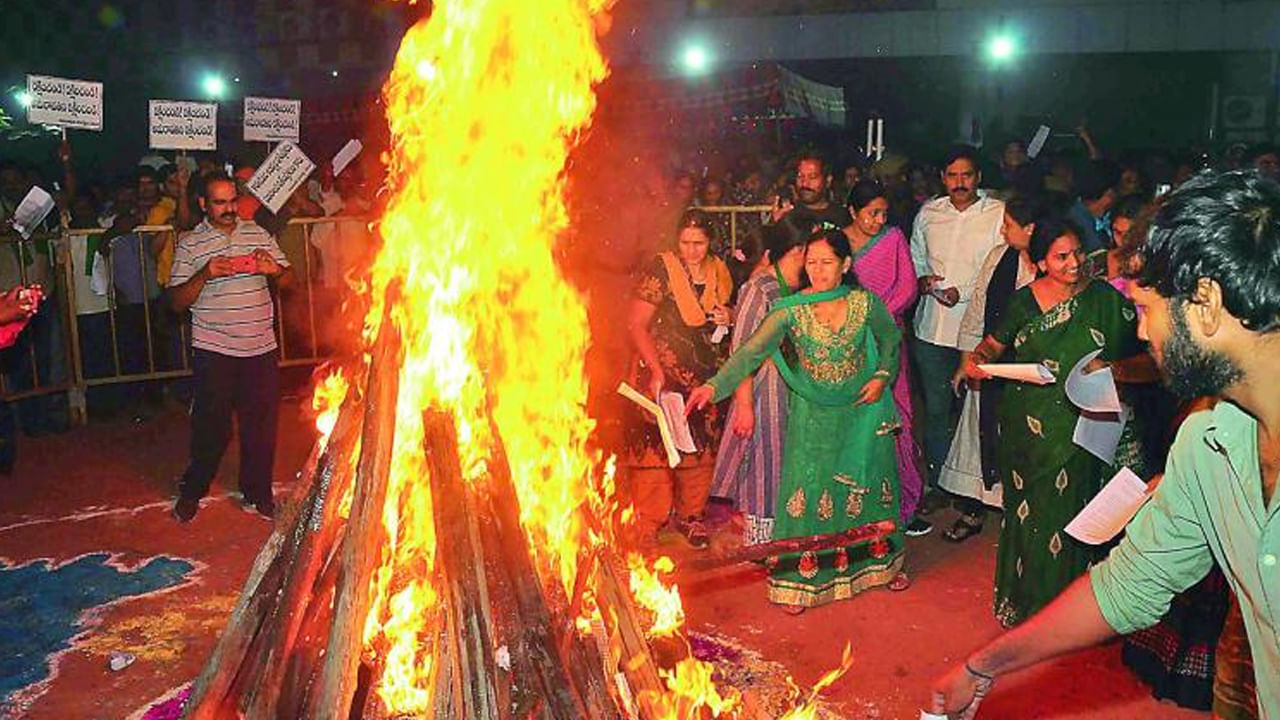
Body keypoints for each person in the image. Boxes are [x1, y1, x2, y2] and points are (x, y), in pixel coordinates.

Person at [931, 169, 1280, 720]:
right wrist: (984, 666)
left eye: (1146, 310)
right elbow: (1127, 585)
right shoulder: (1206, 441)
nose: (1141, 333)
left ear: (1207, 303)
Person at [688, 229, 908, 613]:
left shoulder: (866, 303)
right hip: (813, 415)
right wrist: (713, 386)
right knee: (809, 494)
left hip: (862, 411)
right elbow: (750, 352)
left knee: (869, 489)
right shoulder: (790, 310)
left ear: (846, 265)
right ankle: (801, 583)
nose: (817, 271)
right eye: (811, 263)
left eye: (826, 262)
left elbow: (890, 341)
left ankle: (878, 567)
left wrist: (881, 377)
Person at [960, 216, 1150, 627]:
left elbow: (1153, 363)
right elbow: (991, 347)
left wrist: (1115, 369)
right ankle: (1029, 607)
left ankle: (1075, 616)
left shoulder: (1106, 301)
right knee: (1030, 514)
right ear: (1040, 263)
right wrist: (977, 364)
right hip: (1026, 429)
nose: (1075, 263)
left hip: (1086, 430)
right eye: (1061, 257)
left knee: (1076, 516)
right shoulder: (1024, 303)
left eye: (1078, 252)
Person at [168, 173, 293, 522]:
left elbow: (290, 279)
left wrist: (275, 271)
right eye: (220, 202)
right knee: (212, 427)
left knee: (261, 426)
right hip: (215, 348)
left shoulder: (257, 233)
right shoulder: (190, 244)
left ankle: (258, 493)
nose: (228, 209)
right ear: (203, 204)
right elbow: (176, 302)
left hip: (261, 347)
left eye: (232, 201)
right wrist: (205, 274)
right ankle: (193, 488)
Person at [625, 209, 732, 550]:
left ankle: (691, 517)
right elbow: (636, 324)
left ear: (710, 242)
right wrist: (655, 370)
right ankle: (649, 522)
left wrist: (727, 316)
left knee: (699, 449)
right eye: (685, 243)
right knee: (657, 452)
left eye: (699, 243)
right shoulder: (663, 269)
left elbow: (733, 314)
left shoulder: (720, 271)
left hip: (704, 377)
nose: (691, 250)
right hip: (662, 375)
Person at [909, 145, 1005, 519]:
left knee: (976, 411)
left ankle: (977, 488)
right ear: (942, 179)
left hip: (977, 329)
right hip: (932, 327)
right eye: (952, 176)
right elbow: (917, 256)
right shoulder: (929, 213)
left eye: (966, 175)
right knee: (936, 410)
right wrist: (924, 279)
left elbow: (999, 269)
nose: (959, 183)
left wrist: (962, 293)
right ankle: (938, 482)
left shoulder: (996, 214)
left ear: (978, 177)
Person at [938, 193, 1043, 527]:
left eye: (1008, 225)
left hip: (1031, 375)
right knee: (979, 435)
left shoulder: (1047, 270)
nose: (1002, 232)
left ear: (1030, 229)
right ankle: (975, 509)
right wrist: (966, 361)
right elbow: (977, 310)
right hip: (990, 363)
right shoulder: (999, 257)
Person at [711, 215, 808, 546]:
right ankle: (761, 546)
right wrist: (744, 407)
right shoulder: (758, 288)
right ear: (796, 250)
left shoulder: (793, 288)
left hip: (788, 394)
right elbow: (741, 353)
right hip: (762, 395)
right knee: (764, 471)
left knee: (781, 468)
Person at [843, 179, 927, 535]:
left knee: (895, 415)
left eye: (883, 213)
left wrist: (874, 320)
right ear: (852, 211)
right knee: (852, 417)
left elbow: (908, 289)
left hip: (886, 339)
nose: (878, 220)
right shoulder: (836, 243)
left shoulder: (893, 239)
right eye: (871, 213)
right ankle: (850, 506)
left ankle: (901, 504)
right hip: (845, 341)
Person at [770, 152, 852, 231]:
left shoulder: (842, 216)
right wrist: (778, 226)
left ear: (828, 180)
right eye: (800, 176)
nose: (805, 183)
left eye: (812, 177)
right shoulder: (789, 215)